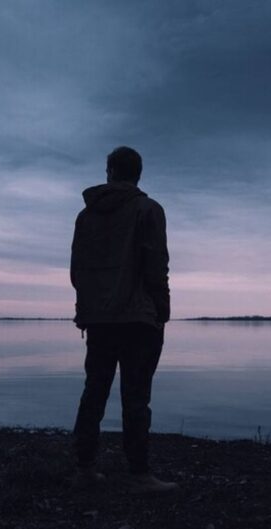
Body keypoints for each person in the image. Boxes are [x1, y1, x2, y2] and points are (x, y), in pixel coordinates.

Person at [70, 146, 178, 494]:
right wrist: (162, 310)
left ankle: (84, 468)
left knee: (94, 392)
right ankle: (139, 474)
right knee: (136, 398)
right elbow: (156, 265)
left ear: (110, 172)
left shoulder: (85, 217)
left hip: (99, 319)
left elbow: (78, 271)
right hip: (138, 319)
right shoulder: (148, 209)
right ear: (138, 173)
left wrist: (86, 308)